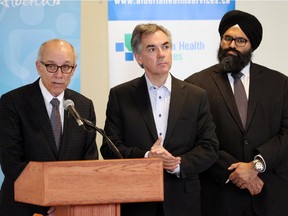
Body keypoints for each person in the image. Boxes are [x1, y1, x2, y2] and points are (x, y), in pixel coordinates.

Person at [100, 23, 219, 216]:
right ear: (139, 57)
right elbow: (110, 147)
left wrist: (178, 164)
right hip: (137, 202)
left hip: (184, 201)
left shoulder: (196, 96)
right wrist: (147, 158)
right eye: (152, 49)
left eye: (165, 46)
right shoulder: (120, 96)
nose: (161, 54)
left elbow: (209, 147)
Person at [185, 10, 288, 216]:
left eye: (241, 40)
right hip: (219, 197)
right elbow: (195, 138)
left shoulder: (279, 83)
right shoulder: (196, 85)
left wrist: (256, 165)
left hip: (270, 197)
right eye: (228, 38)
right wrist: (234, 172)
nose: (232, 45)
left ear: (252, 45)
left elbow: (286, 132)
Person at [0, 39, 99, 216]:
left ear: (74, 69)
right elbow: (11, 161)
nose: (59, 74)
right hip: (24, 206)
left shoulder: (84, 106)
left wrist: (64, 200)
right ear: (39, 67)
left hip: (69, 207)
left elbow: (88, 161)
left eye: (66, 67)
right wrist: (50, 198)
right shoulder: (12, 102)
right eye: (52, 66)